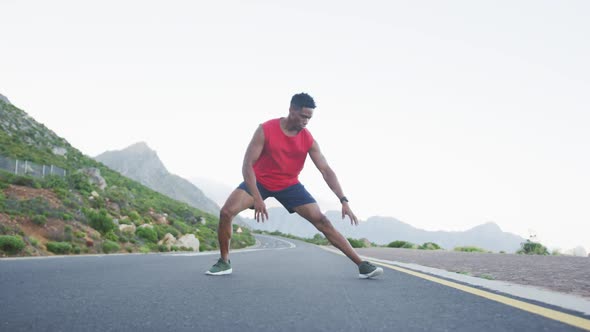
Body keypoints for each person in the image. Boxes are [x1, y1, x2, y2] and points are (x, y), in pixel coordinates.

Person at [206, 92, 383, 279]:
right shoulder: (265, 129)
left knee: (322, 221)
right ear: (292, 110)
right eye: (303, 116)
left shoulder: (308, 139)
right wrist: (257, 198)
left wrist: (343, 200)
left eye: (309, 118)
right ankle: (224, 262)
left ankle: (362, 265)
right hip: (260, 181)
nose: (306, 121)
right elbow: (247, 165)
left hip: (289, 185)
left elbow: (326, 170)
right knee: (226, 212)